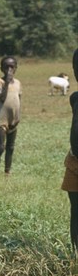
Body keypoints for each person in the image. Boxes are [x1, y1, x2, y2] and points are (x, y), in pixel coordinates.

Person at [61, 48, 78, 256]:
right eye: (76, 67)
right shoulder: (74, 98)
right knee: (75, 211)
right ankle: (76, 254)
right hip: (74, 162)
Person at [0, 56, 21, 174]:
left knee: (11, 147)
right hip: (2, 120)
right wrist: (7, 82)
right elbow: (2, 98)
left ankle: (7, 171)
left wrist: (18, 117)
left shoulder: (18, 83)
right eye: (6, 67)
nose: (9, 69)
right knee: (1, 147)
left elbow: (19, 99)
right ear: (1, 68)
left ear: (15, 68)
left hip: (13, 120)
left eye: (12, 67)